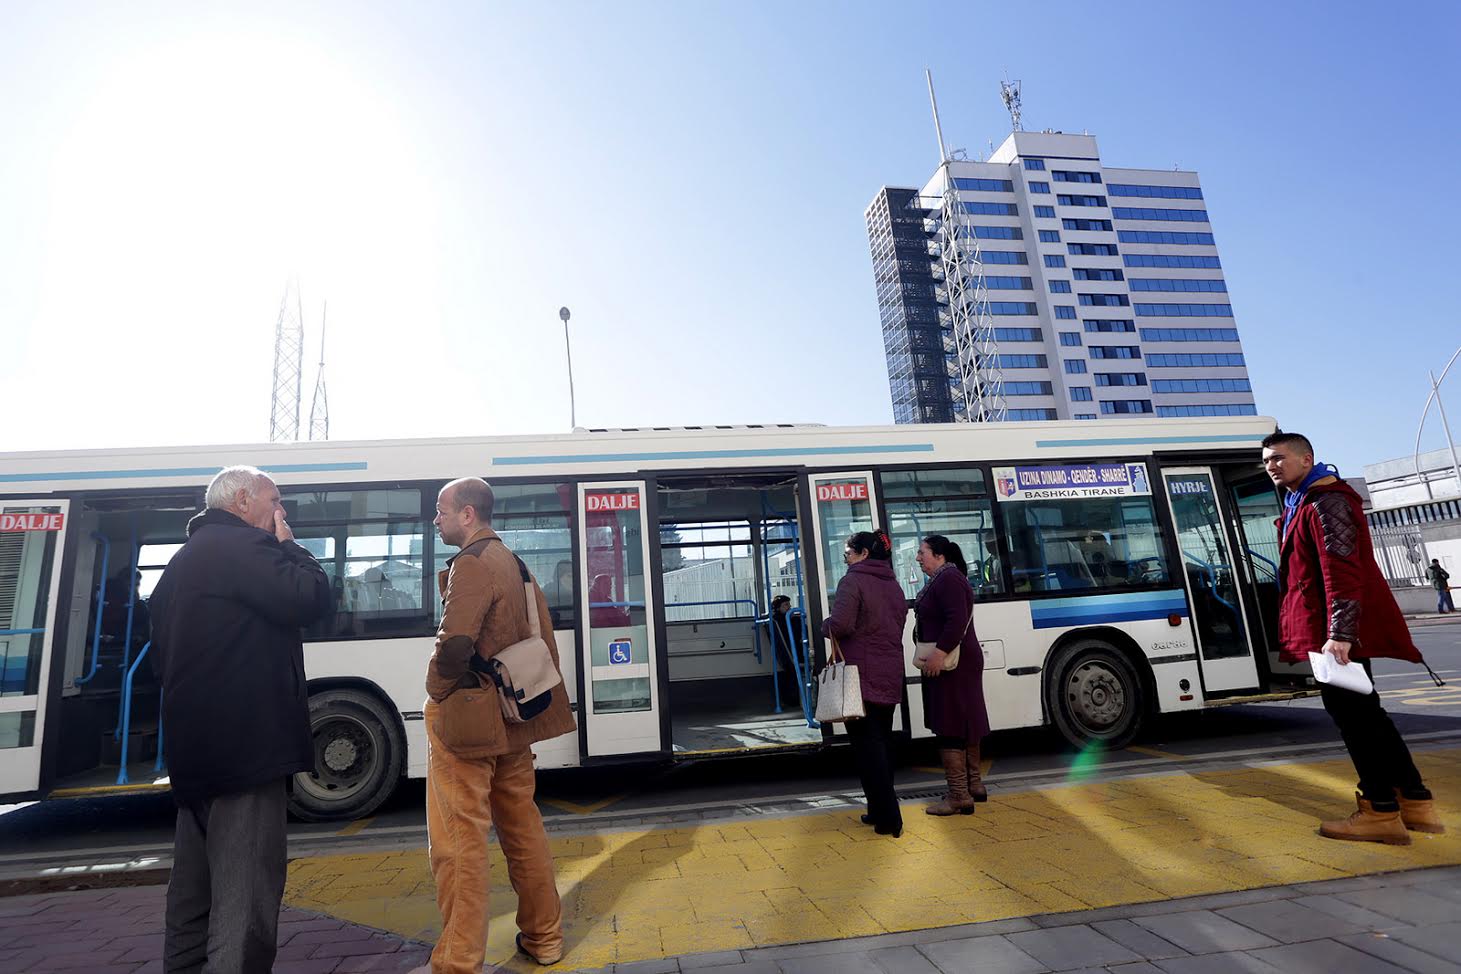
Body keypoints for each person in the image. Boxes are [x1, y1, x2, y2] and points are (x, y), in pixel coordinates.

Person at [148, 466, 332, 973]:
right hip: (246, 753)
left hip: (194, 755)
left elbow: (161, 655)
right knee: (245, 898)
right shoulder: (243, 547)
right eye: (276, 501)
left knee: (192, 896)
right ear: (244, 500)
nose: (281, 512)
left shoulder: (181, 563)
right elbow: (313, 597)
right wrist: (292, 545)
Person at [424, 478, 577, 972]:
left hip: (470, 723)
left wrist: (435, 691)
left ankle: (458, 962)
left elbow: (454, 644)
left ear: (467, 514)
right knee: (522, 825)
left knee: (460, 842)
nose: (436, 519)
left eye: (442, 510)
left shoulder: (471, 564)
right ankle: (544, 937)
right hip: (515, 718)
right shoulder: (513, 561)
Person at [1263, 431, 1445, 844]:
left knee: (1356, 722)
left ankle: (1379, 810)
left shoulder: (1325, 501)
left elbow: (1340, 570)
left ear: (1306, 459)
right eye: (1267, 461)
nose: (1272, 465)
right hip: (1333, 631)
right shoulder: (1303, 502)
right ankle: (1415, 803)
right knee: (1369, 717)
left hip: (1337, 636)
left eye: (1279, 457)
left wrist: (1339, 635)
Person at [821, 530, 909, 837]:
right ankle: (876, 810)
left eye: (848, 554)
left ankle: (889, 818)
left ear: (863, 554)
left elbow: (842, 624)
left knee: (867, 748)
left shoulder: (853, 580)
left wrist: (825, 625)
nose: (846, 559)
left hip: (860, 676)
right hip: (888, 672)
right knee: (882, 742)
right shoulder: (893, 585)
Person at [913, 535, 990, 815]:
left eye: (922, 552)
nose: (919, 558)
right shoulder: (948, 578)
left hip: (953, 663)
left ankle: (958, 794)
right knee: (965, 719)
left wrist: (939, 653)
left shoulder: (948, 580)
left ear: (940, 555)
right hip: (960, 660)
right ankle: (973, 785)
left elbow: (956, 618)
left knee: (950, 722)